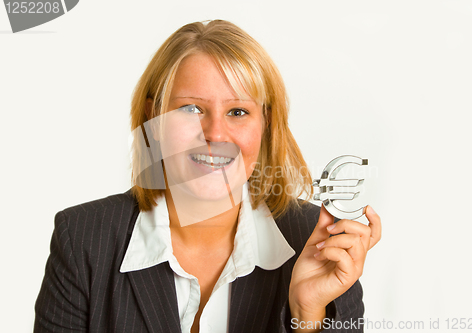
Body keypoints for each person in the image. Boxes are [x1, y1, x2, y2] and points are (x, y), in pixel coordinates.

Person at [34, 20, 381, 333]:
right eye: (191, 109)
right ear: (153, 118)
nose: (215, 133)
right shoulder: (81, 238)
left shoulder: (318, 241)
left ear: (266, 125)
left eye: (238, 111)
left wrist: (307, 315)